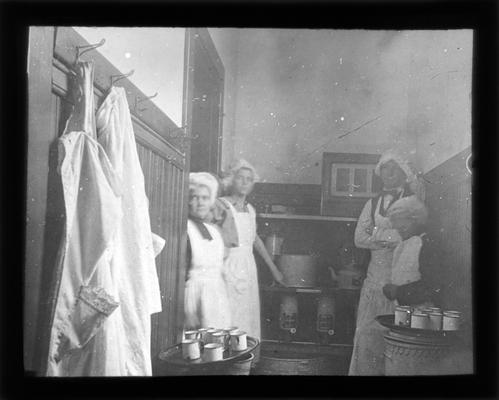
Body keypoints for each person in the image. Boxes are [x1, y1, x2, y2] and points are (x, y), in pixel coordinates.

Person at [349, 149, 420, 376]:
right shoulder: (372, 204)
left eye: (394, 170)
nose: (388, 174)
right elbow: (359, 239)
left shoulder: (413, 201)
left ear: (403, 173)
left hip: (402, 278)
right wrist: (385, 238)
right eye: (385, 170)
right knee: (367, 334)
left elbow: (409, 234)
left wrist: (378, 233)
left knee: (398, 339)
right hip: (375, 279)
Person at [212, 159, 285, 341]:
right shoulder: (221, 204)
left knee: (246, 314)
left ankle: (243, 361)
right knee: (229, 314)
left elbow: (254, 239)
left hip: (248, 266)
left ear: (253, 184)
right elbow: (213, 238)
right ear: (231, 180)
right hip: (227, 264)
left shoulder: (251, 210)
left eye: (249, 179)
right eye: (240, 178)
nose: (245, 182)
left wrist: (274, 269)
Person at [184, 172, 231, 330]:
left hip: (216, 296)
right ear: (189, 201)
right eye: (195, 197)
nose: (200, 203)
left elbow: (219, 269)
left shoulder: (215, 231)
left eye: (205, 198)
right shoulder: (185, 230)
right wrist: (188, 312)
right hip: (194, 297)